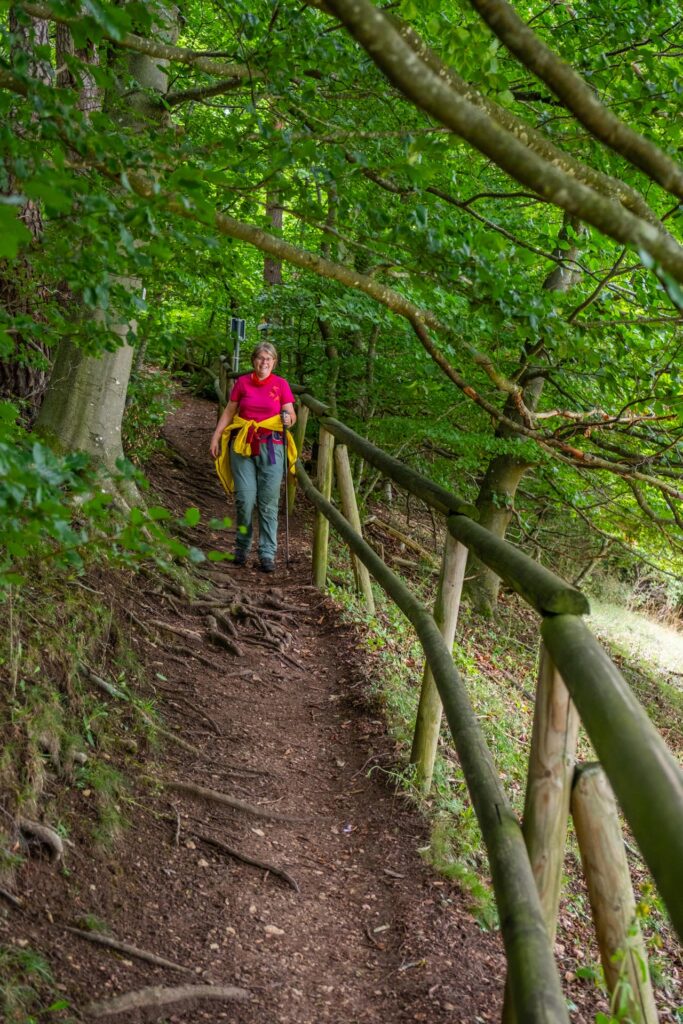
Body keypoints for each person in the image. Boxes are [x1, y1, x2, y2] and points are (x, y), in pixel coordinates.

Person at [210, 342, 297, 572]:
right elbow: (230, 411)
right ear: (253, 360)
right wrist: (216, 437)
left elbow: (291, 414)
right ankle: (242, 546)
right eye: (260, 358)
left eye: (269, 359)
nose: (264, 362)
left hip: (271, 446)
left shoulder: (281, 385)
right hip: (243, 445)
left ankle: (267, 553)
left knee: (268, 503)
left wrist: (288, 418)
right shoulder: (242, 383)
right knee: (244, 500)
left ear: (274, 362)